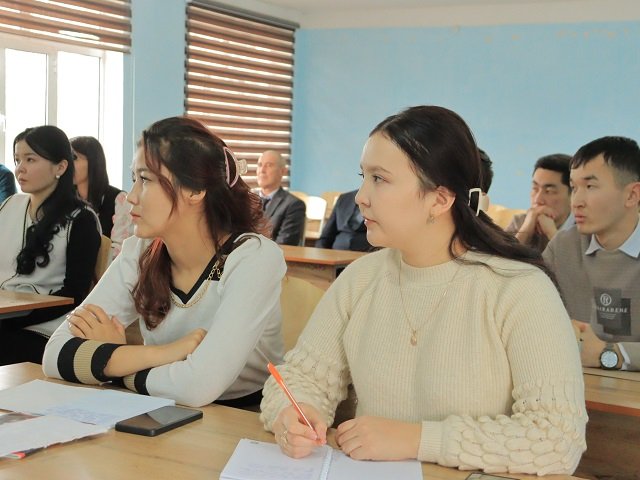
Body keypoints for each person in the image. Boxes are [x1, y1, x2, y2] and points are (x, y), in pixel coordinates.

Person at [260, 106, 586, 475]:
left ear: (440, 199)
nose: (361, 197)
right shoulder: (360, 279)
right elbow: (300, 379)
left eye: (379, 179)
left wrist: (416, 440)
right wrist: (294, 414)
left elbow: (557, 438)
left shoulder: (519, 289)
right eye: (363, 177)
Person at [43, 117, 287, 408]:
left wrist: (112, 362)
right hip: (159, 405)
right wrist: (164, 354)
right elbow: (54, 354)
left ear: (195, 190)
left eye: (145, 180)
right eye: (134, 179)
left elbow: (198, 386)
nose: (131, 197)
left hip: (243, 417)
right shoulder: (141, 250)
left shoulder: (253, 257)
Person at [0, 126, 101, 365]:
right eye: (17, 159)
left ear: (60, 167)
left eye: (30, 159)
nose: (20, 168)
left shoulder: (81, 219)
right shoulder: (10, 205)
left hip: (46, 328)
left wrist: (12, 318)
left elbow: (75, 294)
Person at [543, 136, 640, 371]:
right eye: (574, 188)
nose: (576, 202)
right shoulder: (563, 246)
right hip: (572, 387)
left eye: (590, 187)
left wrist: (611, 354)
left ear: (632, 195)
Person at [71, 136, 132, 258]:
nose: (68, 164)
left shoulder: (118, 199)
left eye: (74, 157)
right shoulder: (66, 200)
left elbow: (120, 248)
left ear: (93, 161)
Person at [506, 154, 573, 252]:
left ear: (573, 195)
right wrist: (526, 230)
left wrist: (551, 233)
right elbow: (500, 259)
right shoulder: (520, 221)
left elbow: (575, 261)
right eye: (535, 188)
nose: (538, 199)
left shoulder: (585, 228)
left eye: (549, 191)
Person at [256, 150, 306, 245]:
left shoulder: (293, 205)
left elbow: (285, 244)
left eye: (269, 165)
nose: (262, 170)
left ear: (282, 171)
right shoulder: (244, 200)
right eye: (260, 165)